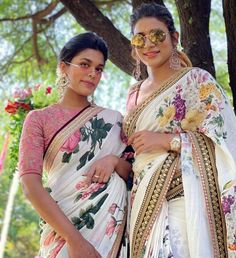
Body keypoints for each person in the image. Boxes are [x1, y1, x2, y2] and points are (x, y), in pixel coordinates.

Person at [123, 3, 236, 258]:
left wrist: (168, 141)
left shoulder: (197, 81)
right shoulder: (134, 94)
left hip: (185, 200)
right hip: (142, 203)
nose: (149, 44)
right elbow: (130, 150)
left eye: (157, 35)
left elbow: (225, 140)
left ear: (174, 38)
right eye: (140, 38)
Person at [19, 32, 131, 258]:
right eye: (84, 64)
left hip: (110, 226)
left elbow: (134, 173)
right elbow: (30, 185)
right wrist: (74, 240)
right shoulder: (39, 119)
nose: (92, 73)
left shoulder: (114, 120)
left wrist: (113, 161)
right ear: (63, 67)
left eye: (99, 69)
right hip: (62, 230)